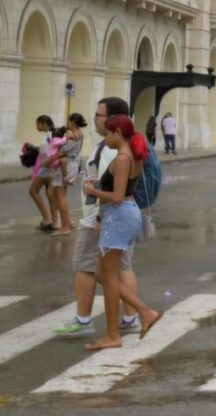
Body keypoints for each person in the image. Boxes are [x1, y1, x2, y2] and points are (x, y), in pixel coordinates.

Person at [53, 98, 142, 340]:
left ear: (114, 122)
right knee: (123, 268)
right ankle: (130, 318)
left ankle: (84, 320)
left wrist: (98, 216)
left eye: (99, 115)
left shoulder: (111, 150)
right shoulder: (126, 146)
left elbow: (114, 190)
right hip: (122, 216)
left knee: (85, 266)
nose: (94, 119)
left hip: (102, 217)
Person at [82, 114, 163, 351]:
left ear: (118, 133)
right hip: (123, 215)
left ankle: (115, 334)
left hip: (119, 216)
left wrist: (93, 191)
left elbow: (117, 197)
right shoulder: (131, 155)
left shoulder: (124, 158)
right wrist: (101, 183)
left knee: (108, 278)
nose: (105, 138)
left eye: (108, 133)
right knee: (102, 275)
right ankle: (144, 313)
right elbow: (121, 186)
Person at [42, 113, 87, 236]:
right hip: (67, 164)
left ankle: (65, 226)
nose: (67, 123)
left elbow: (62, 152)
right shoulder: (75, 133)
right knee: (52, 193)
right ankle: (67, 220)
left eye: (68, 121)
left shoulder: (75, 135)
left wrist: (48, 161)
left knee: (60, 195)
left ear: (72, 122)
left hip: (67, 164)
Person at [29, 115, 56, 232]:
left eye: (38, 124)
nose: (37, 127)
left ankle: (47, 218)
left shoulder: (50, 134)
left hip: (47, 167)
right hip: (49, 167)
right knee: (50, 194)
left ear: (44, 123)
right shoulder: (51, 133)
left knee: (33, 191)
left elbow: (50, 151)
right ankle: (54, 220)